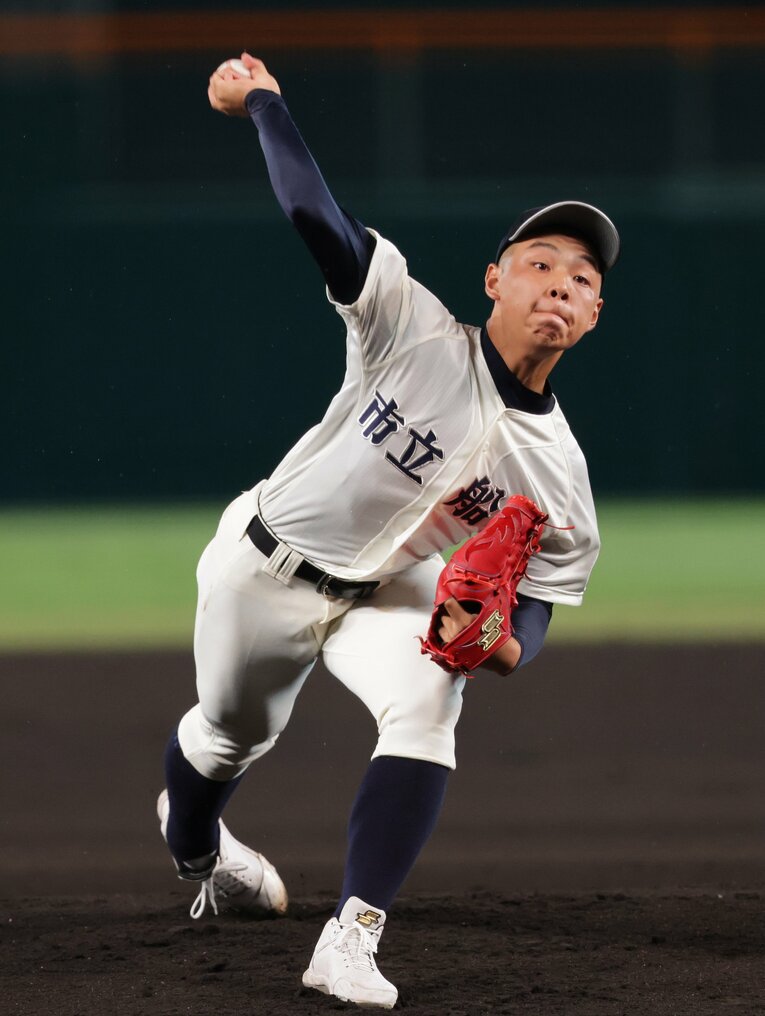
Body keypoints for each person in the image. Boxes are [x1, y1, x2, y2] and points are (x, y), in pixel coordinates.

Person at [157, 52, 620, 1010]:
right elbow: (313, 218)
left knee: (430, 704)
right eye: (539, 264)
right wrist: (265, 104)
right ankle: (199, 846)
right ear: (494, 280)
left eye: (580, 279)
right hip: (267, 566)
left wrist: (498, 648)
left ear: (592, 317)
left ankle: (351, 939)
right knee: (228, 734)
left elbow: (532, 608)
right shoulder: (407, 326)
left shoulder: (560, 478)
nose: (559, 286)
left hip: (395, 592)